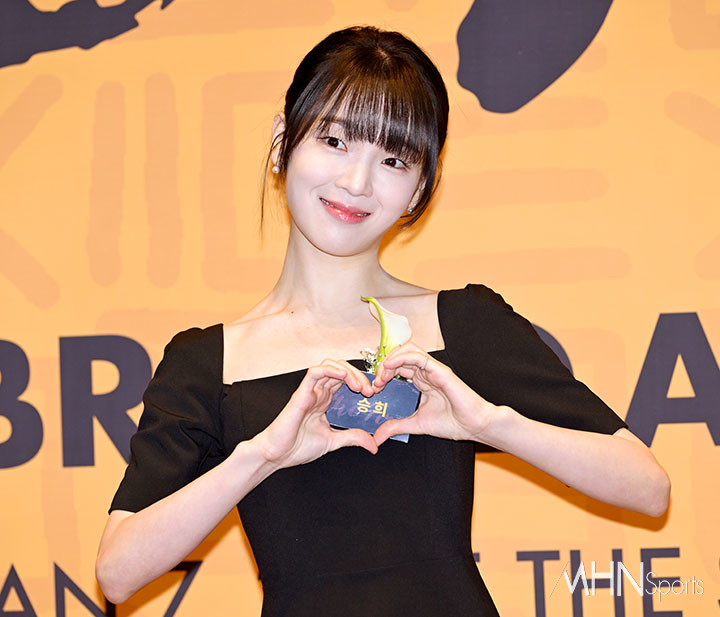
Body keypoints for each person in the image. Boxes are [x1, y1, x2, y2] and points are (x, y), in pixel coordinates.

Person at [95, 26, 670, 616]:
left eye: (393, 159)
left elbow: (648, 488)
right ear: (282, 142)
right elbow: (118, 572)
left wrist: (489, 423)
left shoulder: (459, 324)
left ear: (420, 189)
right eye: (336, 140)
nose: (356, 182)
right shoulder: (208, 363)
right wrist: (260, 455)